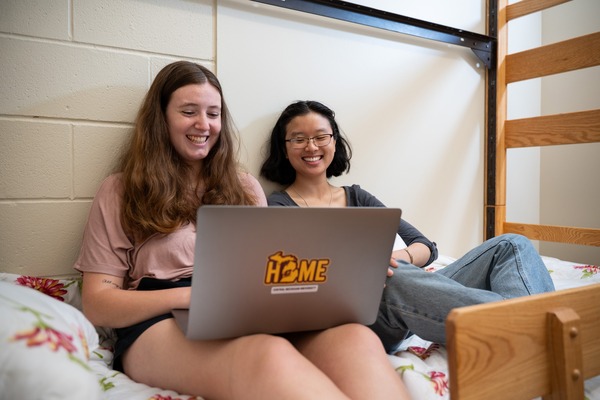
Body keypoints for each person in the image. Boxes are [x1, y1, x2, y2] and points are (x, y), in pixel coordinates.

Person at [73, 62, 408, 399]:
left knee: (356, 337)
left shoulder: (244, 186)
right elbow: (99, 303)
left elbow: (269, 269)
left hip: (246, 309)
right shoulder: (120, 190)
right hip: (160, 317)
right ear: (160, 119)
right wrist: (193, 296)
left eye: (213, 113)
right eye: (189, 111)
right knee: (265, 355)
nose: (203, 124)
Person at [260, 100, 556, 353]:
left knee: (510, 245)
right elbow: (293, 281)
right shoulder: (280, 207)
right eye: (298, 139)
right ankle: (540, 329)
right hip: (362, 318)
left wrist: (393, 260)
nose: (311, 146)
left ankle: (528, 321)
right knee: (396, 281)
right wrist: (363, 273)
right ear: (285, 149)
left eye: (320, 136)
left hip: (408, 296)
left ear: (334, 142)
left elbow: (426, 247)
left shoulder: (357, 197)